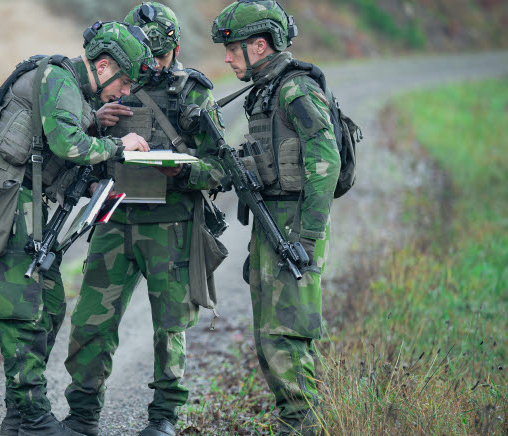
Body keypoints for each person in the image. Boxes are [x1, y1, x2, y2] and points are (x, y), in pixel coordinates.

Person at [0, 21, 157, 436]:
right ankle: (34, 420)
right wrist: (118, 145)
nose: (125, 91)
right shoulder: (58, 78)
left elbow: (46, 156)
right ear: (104, 64)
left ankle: (18, 418)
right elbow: (68, 146)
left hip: (25, 206)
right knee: (23, 313)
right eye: (124, 81)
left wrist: (92, 184)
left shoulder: (72, 90)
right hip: (6, 206)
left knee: (51, 306)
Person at [62, 4, 228, 436]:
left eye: (155, 57)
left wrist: (184, 170)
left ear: (173, 48)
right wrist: (98, 123)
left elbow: (221, 168)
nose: (146, 66)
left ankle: (164, 420)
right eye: (138, 57)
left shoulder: (194, 93)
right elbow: (76, 142)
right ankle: (81, 416)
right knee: (90, 323)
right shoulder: (110, 84)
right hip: (113, 217)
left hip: (170, 225)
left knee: (169, 326)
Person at [209, 1, 340, 434]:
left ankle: (304, 426)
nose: (227, 58)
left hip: (293, 226)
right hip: (273, 224)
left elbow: (326, 160)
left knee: (288, 334)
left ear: (259, 45)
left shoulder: (295, 89)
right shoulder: (266, 89)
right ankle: (294, 423)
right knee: (270, 336)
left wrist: (307, 237)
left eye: (233, 48)